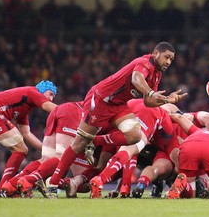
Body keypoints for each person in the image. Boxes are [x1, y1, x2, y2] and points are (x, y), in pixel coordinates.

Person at [46, 42, 186, 197]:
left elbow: (147, 102)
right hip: (100, 100)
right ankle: (53, 183)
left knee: (135, 136)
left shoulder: (157, 74)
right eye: (166, 57)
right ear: (155, 53)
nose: (168, 62)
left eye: (171, 60)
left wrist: (167, 100)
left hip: (118, 105)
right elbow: (136, 79)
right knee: (79, 144)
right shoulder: (144, 62)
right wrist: (151, 93)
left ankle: (96, 141)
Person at [0, 80, 57, 196]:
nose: (51, 99)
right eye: (50, 94)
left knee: (21, 149)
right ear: (42, 90)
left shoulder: (25, 107)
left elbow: (26, 133)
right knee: (21, 149)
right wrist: (70, 111)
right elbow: (47, 106)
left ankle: (4, 188)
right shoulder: (32, 91)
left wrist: (45, 150)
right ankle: (3, 188)